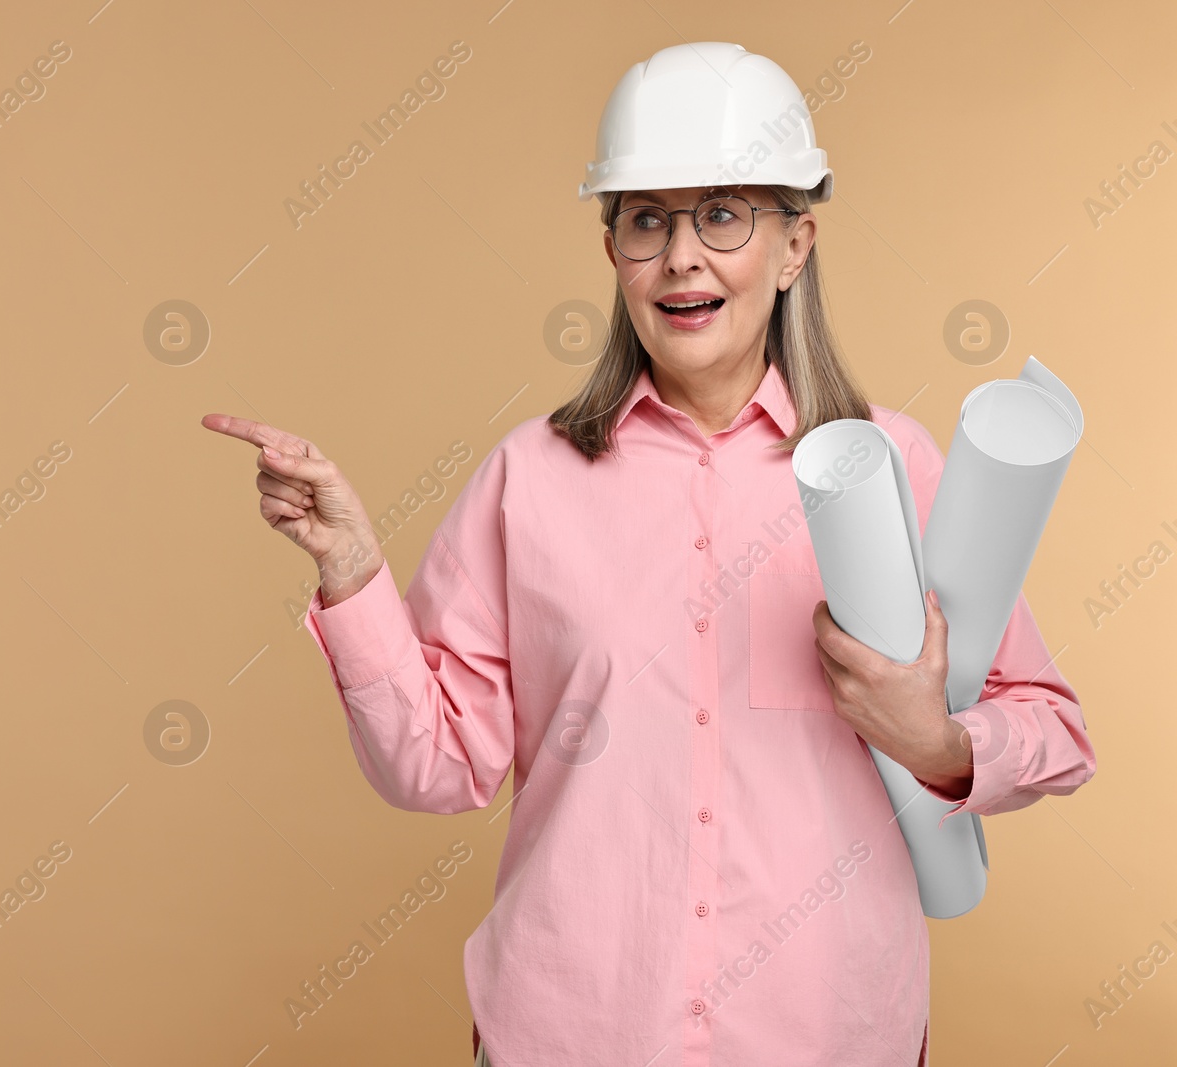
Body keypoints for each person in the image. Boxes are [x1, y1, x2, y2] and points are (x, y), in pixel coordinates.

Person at [201, 42, 1095, 1067]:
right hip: (571, 1032)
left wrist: (933, 741)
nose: (681, 257)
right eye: (646, 218)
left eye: (722, 213)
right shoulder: (527, 478)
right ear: (613, 245)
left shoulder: (891, 467)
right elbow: (434, 768)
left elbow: (1054, 729)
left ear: (795, 244)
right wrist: (351, 568)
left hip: (827, 1037)